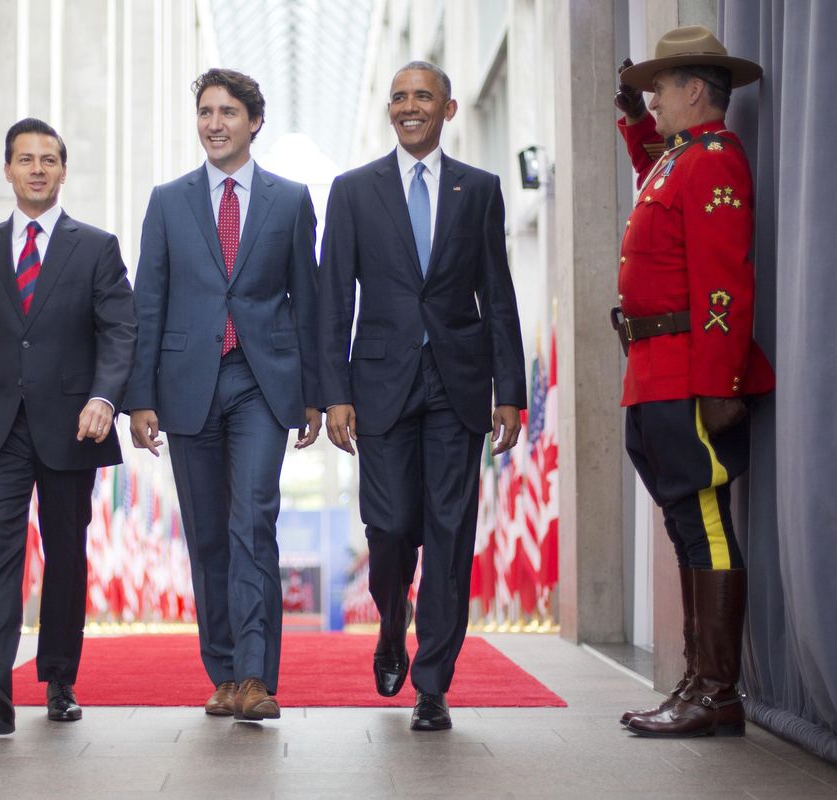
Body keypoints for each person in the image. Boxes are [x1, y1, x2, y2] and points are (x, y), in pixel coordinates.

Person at [318, 61, 526, 732]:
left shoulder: (479, 190)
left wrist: (510, 391)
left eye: (423, 97)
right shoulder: (352, 192)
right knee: (391, 526)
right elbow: (332, 300)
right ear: (390, 109)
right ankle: (390, 618)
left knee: (449, 531)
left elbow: (497, 294)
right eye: (400, 97)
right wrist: (333, 393)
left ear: (449, 108)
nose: (410, 107)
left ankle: (433, 683)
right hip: (378, 387)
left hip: (459, 387)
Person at [125, 68, 320, 722]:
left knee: (251, 521)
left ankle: (257, 676)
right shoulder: (167, 201)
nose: (214, 123)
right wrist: (140, 396)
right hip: (187, 387)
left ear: (253, 121)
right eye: (206, 111)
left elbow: (309, 303)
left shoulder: (290, 202)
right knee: (208, 533)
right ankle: (224, 672)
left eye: (228, 112)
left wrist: (314, 393)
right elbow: (147, 303)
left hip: (262, 384)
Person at [0, 118, 136, 734]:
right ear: (7, 170)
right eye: (26, 159)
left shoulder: (96, 247)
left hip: (74, 425)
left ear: (63, 171)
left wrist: (106, 397)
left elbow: (121, 331)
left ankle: (58, 680)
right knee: (0, 552)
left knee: (67, 554)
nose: (38, 169)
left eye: (49, 159)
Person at [612, 26, 774, 738]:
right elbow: (654, 169)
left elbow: (723, 282)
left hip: (688, 373)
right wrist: (633, 118)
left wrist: (719, 381)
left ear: (695, 91)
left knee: (703, 522)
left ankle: (717, 691)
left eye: (659, 87)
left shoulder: (713, 161)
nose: (654, 97)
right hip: (654, 369)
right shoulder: (679, 159)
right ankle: (698, 680)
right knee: (687, 525)